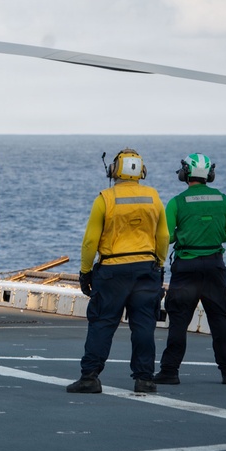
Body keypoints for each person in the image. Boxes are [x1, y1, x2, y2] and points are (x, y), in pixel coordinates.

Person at [67, 149, 168, 394]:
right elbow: (163, 236)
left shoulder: (105, 198)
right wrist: (159, 264)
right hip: (147, 269)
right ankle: (144, 378)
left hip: (112, 270)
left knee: (102, 323)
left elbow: (90, 241)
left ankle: (90, 377)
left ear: (113, 171)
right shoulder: (153, 197)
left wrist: (85, 271)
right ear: (141, 171)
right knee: (144, 324)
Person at [156, 153, 226, 385]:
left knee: (179, 320)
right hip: (214, 266)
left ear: (185, 173)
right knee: (220, 320)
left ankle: (170, 371)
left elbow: (166, 236)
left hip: (186, 267)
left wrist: (187, 235)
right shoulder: (223, 200)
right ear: (209, 174)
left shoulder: (177, 202)